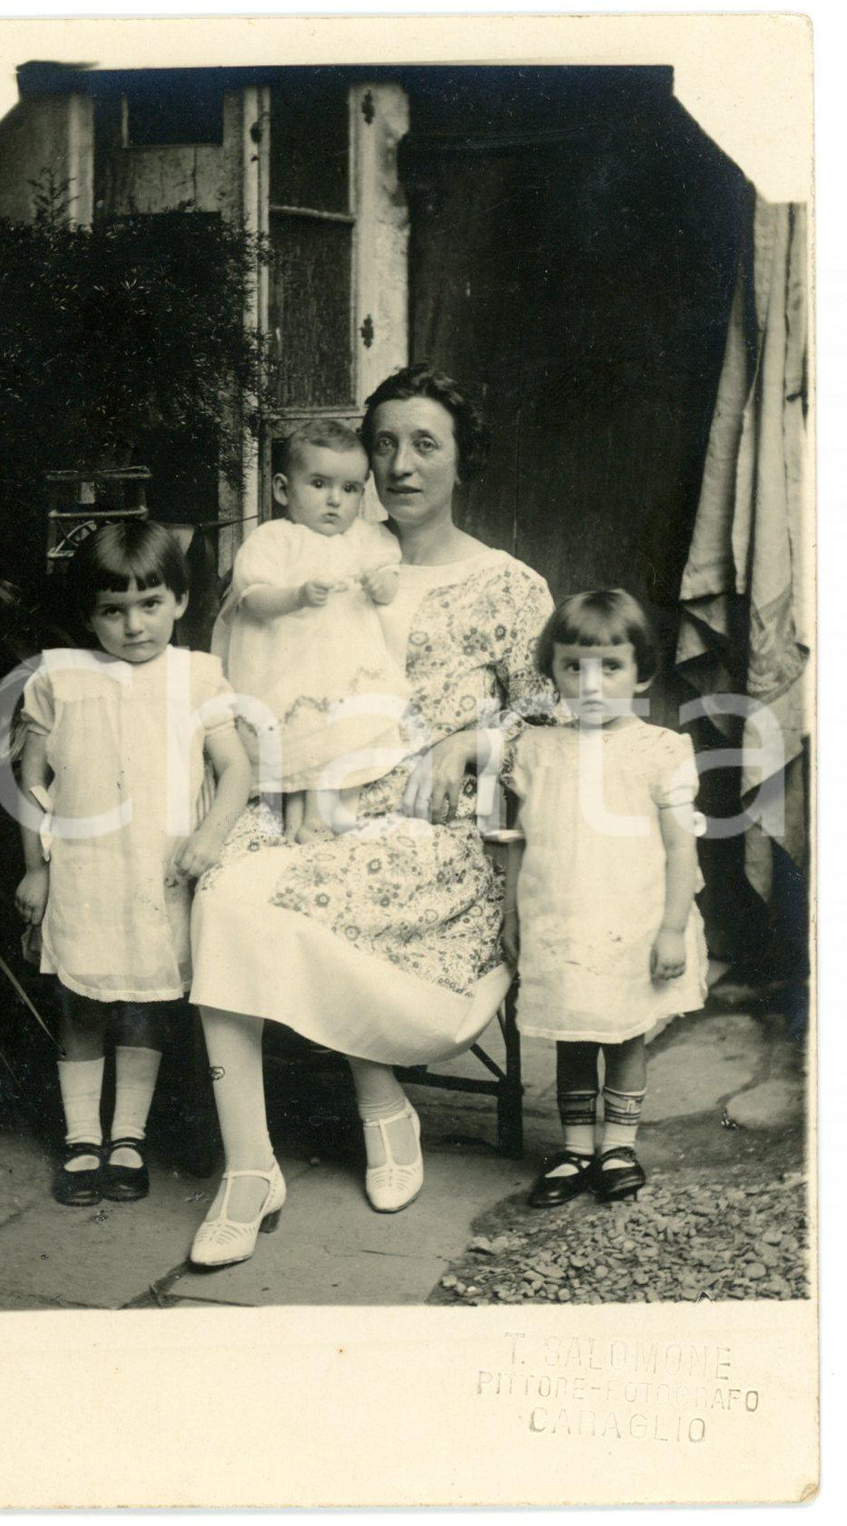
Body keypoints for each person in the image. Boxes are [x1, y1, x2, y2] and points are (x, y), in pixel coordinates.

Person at [187, 365, 559, 1268]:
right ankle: (251, 1165)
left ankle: (380, 1101)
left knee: (308, 890)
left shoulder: (506, 584)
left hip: (433, 827)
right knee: (226, 891)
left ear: (463, 461)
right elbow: (239, 648)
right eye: (384, 443)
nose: (400, 465)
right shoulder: (320, 548)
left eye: (425, 443)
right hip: (305, 795)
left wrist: (475, 736)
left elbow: (558, 710)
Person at [13, 521, 250, 1207]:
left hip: (159, 870)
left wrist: (209, 835)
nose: (133, 624)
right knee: (81, 999)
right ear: (89, 614)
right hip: (84, 869)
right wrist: (37, 867)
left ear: (180, 600)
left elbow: (234, 771)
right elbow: (33, 782)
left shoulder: (198, 674)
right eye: (112, 610)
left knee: (146, 1000)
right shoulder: (61, 676)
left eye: (151, 603)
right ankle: (82, 1137)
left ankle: (127, 1137)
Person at [501, 589, 708, 1207]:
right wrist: (511, 912)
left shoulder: (658, 750)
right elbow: (519, 839)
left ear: (642, 671)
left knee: (624, 1034)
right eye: (574, 668)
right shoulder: (538, 749)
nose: (591, 685)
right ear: (554, 671)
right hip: (560, 918)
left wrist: (671, 927)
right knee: (573, 1034)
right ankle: (575, 1147)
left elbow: (680, 851)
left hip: (631, 921)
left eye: (609, 668)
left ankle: (618, 1143)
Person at [214, 418, 406, 842]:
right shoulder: (273, 539)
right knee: (295, 741)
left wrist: (382, 585)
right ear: (283, 490)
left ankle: (318, 818)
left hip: (339, 666)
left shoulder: (363, 539)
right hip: (284, 668)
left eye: (351, 489)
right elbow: (252, 598)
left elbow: (389, 575)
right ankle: (295, 817)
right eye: (319, 484)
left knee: (335, 736)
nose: (335, 501)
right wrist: (296, 596)